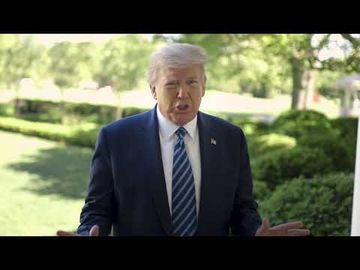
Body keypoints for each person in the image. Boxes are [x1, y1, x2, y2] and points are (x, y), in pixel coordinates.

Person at [57, 43, 310, 237]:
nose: (183, 93)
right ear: (153, 89)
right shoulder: (115, 138)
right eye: (172, 84)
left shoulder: (230, 138)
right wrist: (87, 231)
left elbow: (242, 208)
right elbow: (97, 210)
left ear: (204, 86)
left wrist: (255, 232)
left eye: (192, 82)